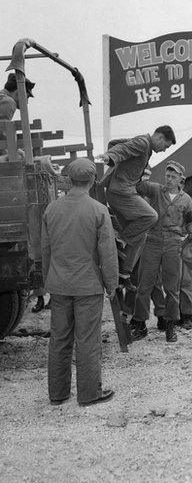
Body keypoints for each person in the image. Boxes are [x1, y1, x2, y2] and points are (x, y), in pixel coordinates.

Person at [41, 158, 118, 406]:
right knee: (87, 340)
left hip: (59, 285)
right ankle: (89, 393)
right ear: (93, 180)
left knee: (59, 338)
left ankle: (58, 393)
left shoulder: (51, 209)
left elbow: (45, 251)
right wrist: (112, 284)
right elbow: (107, 253)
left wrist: (48, 282)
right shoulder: (98, 210)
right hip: (88, 286)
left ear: (68, 179)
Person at [97, 126, 176, 290]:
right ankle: (120, 240)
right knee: (151, 216)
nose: (163, 151)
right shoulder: (142, 143)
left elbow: (114, 143)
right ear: (160, 138)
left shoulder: (144, 144)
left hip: (123, 191)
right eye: (165, 146)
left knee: (141, 235)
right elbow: (122, 149)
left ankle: (124, 274)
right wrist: (109, 157)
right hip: (121, 192)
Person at [131, 161, 192, 343]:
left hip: (173, 243)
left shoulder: (185, 199)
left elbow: (190, 220)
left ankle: (170, 326)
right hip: (152, 240)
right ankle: (140, 324)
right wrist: (140, 168)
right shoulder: (155, 190)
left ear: (180, 179)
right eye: (167, 176)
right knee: (144, 285)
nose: (169, 179)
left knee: (172, 288)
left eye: (173, 177)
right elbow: (138, 185)